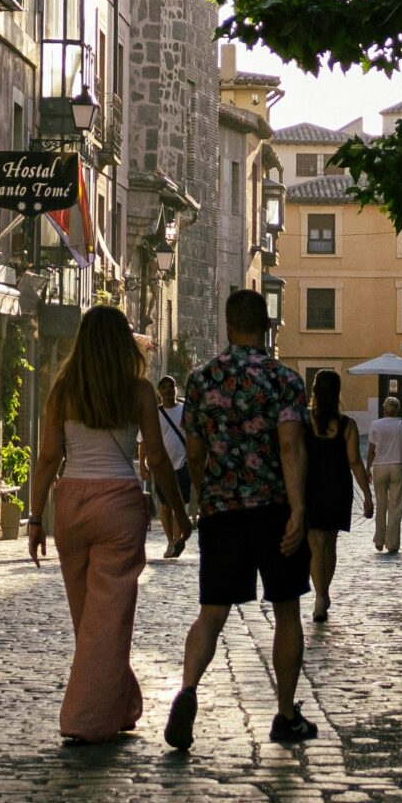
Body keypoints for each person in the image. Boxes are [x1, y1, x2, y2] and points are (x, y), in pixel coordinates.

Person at [26, 306, 189, 744]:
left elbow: (48, 457)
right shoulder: (137, 391)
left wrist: (36, 517)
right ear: (122, 344)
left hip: (71, 506)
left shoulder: (64, 390)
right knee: (108, 620)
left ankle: (120, 703)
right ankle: (84, 719)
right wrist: (180, 513)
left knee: (90, 619)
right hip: (119, 505)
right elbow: (157, 459)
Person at [166, 289, 315, 751]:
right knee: (287, 610)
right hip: (273, 509)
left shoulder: (202, 379)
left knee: (212, 613)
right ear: (267, 326)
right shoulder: (284, 380)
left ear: (228, 326)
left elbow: (194, 453)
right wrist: (298, 508)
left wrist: (204, 496)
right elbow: (289, 445)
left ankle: (188, 690)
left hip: (222, 512)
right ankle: (285, 713)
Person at [302, 369, 373, 622]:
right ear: (337, 393)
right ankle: (324, 593)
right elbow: (354, 461)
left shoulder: (303, 421)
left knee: (314, 546)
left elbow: (292, 455)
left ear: (314, 391)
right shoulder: (347, 425)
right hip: (337, 488)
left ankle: (320, 596)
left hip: (309, 488)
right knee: (330, 544)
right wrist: (367, 495)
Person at [367, 395, 402, 554]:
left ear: (384, 408)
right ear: (397, 410)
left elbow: (371, 449)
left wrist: (367, 468)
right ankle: (392, 542)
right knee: (396, 505)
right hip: (397, 465)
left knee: (381, 503)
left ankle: (379, 540)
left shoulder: (375, 424)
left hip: (379, 466)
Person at [153, 373, 192, 558]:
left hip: (183, 464)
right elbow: (144, 440)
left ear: (176, 389)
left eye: (171, 387)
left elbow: (193, 435)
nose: (168, 390)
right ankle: (170, 540)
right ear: (159, 392)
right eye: (164, 387)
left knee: (180, 504)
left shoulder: (185, 410)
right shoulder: (155, 414)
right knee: (166, 505)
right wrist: (144, 463)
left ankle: (177, 541)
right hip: (162, 465)